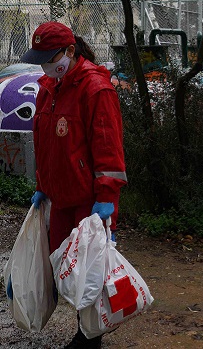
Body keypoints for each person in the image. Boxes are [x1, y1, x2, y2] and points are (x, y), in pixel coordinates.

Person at [20, 21, 127, 349]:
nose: (46, 65)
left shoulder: (95, 88)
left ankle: (89, 337)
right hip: (58, 196)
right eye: (41, 59)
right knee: (63, 266)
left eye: (50, 58)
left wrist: (107, 195)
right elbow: (44, 142)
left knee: (88, 272)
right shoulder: (47, 86)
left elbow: (108, 146)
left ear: (70, 51)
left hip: (88, 201)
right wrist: (42, 184)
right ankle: (86, 331)